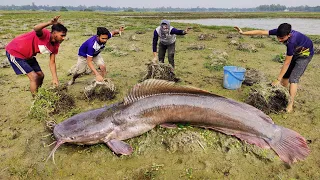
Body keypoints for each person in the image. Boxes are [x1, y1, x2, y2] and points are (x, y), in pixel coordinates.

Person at [234, 23, 314, 112]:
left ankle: (290, 104)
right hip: (296, 52)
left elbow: (287, 63)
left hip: (305, 55)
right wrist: (243, 33)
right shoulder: (280, 32)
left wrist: (277, 79)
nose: (279, 40)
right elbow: (261, 32)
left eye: (282, 38)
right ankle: (285, 96)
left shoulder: (292, 42)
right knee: (285, 76)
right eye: (278, 37)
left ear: (289, 35)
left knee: (293, 79)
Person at [5, 16, 68, 96]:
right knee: (34, 77)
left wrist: (55, 78)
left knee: (40, 75)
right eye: (62, 35)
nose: (63, 38)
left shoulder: (56, 45)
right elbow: (36, 28)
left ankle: (37, 93)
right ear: (54, 33)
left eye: (64, 36)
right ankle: (36, 101)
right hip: (15, 52)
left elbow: (52, 62)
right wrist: (50, 23)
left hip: (29, 56)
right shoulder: (44, 34)